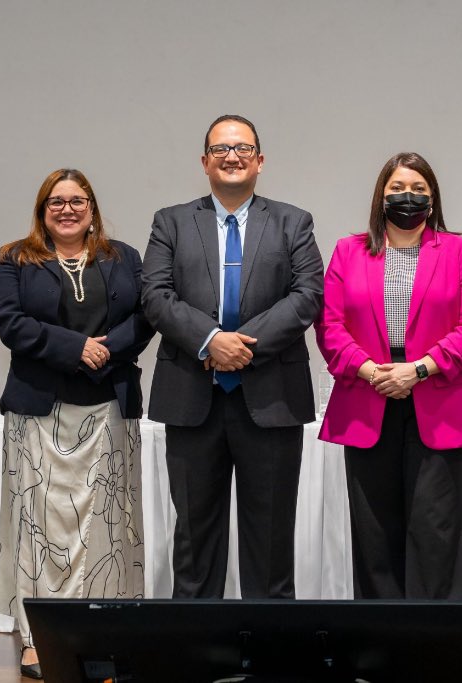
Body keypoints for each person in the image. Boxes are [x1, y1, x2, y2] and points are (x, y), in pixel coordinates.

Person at [142, 114, 324, 599]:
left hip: (271, 401)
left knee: (270, 541)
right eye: (221, 149)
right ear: (204, 162)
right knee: (195, 542)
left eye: (242, 148)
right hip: (190, 399)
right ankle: (197, 653)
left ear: (260, 161)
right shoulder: (171, 222)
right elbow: (155, 295)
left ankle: (269, 655)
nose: (232, 156)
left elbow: (307, 295)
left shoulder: (293, 221)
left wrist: (240, 346)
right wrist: (209, 340)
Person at [0, 169, 154, 678]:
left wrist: (104, 350)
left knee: (109, 526)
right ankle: (39, 639)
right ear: (42, 210)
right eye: (56, 201)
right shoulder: (16, 259)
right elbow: (9, 322)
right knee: (40, 528)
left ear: (92, 207)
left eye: (77, 200)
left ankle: (109, 633)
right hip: (40, 410)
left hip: (110, 407)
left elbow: (148, 315)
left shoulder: (123, 257)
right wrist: (75, 347)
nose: (67, 209)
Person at [315, 152, 462, 599]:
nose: (406, 198)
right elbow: (330, 326)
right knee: (374, 534)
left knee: (436, 531)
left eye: (417, 190)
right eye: (396, 189)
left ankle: (434, 647)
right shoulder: (348, 250)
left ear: (432, 200)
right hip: (367, 397)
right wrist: (372, 371)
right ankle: (381, 647)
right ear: (380, 196)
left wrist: (418, 370)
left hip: (438, 398)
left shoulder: (457, 250)